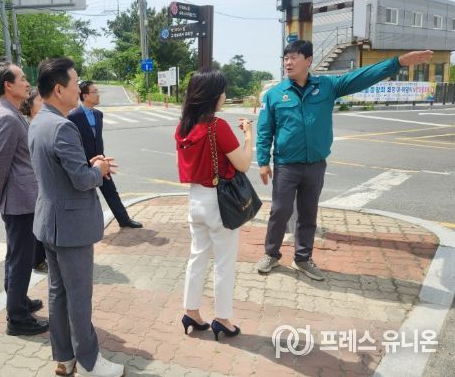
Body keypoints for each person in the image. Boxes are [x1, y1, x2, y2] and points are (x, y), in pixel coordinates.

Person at [256, 41, 434, 281]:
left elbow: (361, 77)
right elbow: (264, 131)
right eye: (286, 58)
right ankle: (271, 254)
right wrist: (263, 161)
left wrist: (398, 62)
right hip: (286, 165)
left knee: (308, 214)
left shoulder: (327, 86)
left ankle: (303, 258)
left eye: (294, 57)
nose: (288, 62)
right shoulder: (275, 94)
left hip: (316, 165)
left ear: (308, 60)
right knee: (280, 211)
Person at [28, 58, 124, 377]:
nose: (79, 88)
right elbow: (82, 181)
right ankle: (89, 361)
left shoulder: (39, 122)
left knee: (58, 293)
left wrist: (89, 165)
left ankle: (64, 357)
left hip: (50, 222)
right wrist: (99, 169)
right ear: (59, 89)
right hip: (71, 226)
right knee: (79, 296)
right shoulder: (63, 126)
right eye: (75, 83)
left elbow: (60, 171)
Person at [175, 70, 254, 341]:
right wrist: (249, 137)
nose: (224, 95)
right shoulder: (217, 126)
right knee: (224, 262)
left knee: (197, 257)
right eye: (222, 91)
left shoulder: (183, 126)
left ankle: (191, 312)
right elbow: (243, 164)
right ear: (212, 96)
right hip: (219, 201)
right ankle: (222, 319)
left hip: (195, 199)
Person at [0, 63, 48, 336]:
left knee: (17, 255)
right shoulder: (7, 117)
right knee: (21, 259)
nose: (27, 82)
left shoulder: (10, 111)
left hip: (21, 197)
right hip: (19, 201)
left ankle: (18, 300)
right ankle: (17, 318)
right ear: (8, 85)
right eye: (21, 78)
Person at [68, 81, 143, 229]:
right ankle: (83, 227)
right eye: (95, 92)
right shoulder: (73, 116)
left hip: (100, 161)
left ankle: (124, 220)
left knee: (111, 191)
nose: (98, 95)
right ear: (85, 96)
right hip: (83, 163)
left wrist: (102, 158)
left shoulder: (98, 114)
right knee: (84, 196)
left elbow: (97, 139)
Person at [20, 87, 48, 273]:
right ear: (29, 105)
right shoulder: (27, 126)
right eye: (40, 101)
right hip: (32, 182)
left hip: (41, 180)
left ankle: (41, 257)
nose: (44, 104)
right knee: (36, 222)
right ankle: (37, 260)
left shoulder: (41, 123)